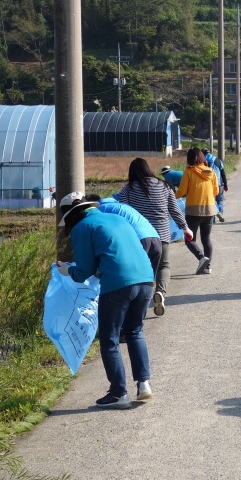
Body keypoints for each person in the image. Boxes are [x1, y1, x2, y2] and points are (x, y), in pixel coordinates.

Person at [57, 191, 155, 409]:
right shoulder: (117, 218)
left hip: (118, 285)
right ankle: (144, 384)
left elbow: (84, 270)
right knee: (135, 331)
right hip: (146, 279)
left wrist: (67, 270)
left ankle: (119, 393)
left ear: (71, 215)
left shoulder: (82, 227)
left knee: (109, 339)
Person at [117, 158, 193, 316]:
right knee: (164, 266)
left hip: (137, 236)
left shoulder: (128, 189)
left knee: (141, 271)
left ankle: (140, 307)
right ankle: (160, 292)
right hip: (162, 234)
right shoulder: (164, 186)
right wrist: (185, 227)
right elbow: (175, 209)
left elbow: (122, 213)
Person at [85, 195, 162, 293]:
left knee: (133, 278)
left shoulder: (100, 210)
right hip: (155, 237)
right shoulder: (122, 206)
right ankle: (154, 296)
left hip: (139, 239)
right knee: (147, 279)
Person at [174, 147, 220, 274]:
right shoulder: (211, 172)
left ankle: (201, 258)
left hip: (193, 210)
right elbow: (216, 191)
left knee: (189, 239)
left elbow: (182, 191)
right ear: (202, 158)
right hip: (210, 209)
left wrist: (170, 196)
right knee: (206, 239)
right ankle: (207, 267)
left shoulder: (188, 172)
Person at [201, 148, 228, 222]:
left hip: (208, 185)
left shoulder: (202, 161)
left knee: (211, 201)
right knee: (220, 200)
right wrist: (225, 184)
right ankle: (219, 212)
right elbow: (223, 172)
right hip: (219, 184)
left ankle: (212, 218)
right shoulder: (218, 160)